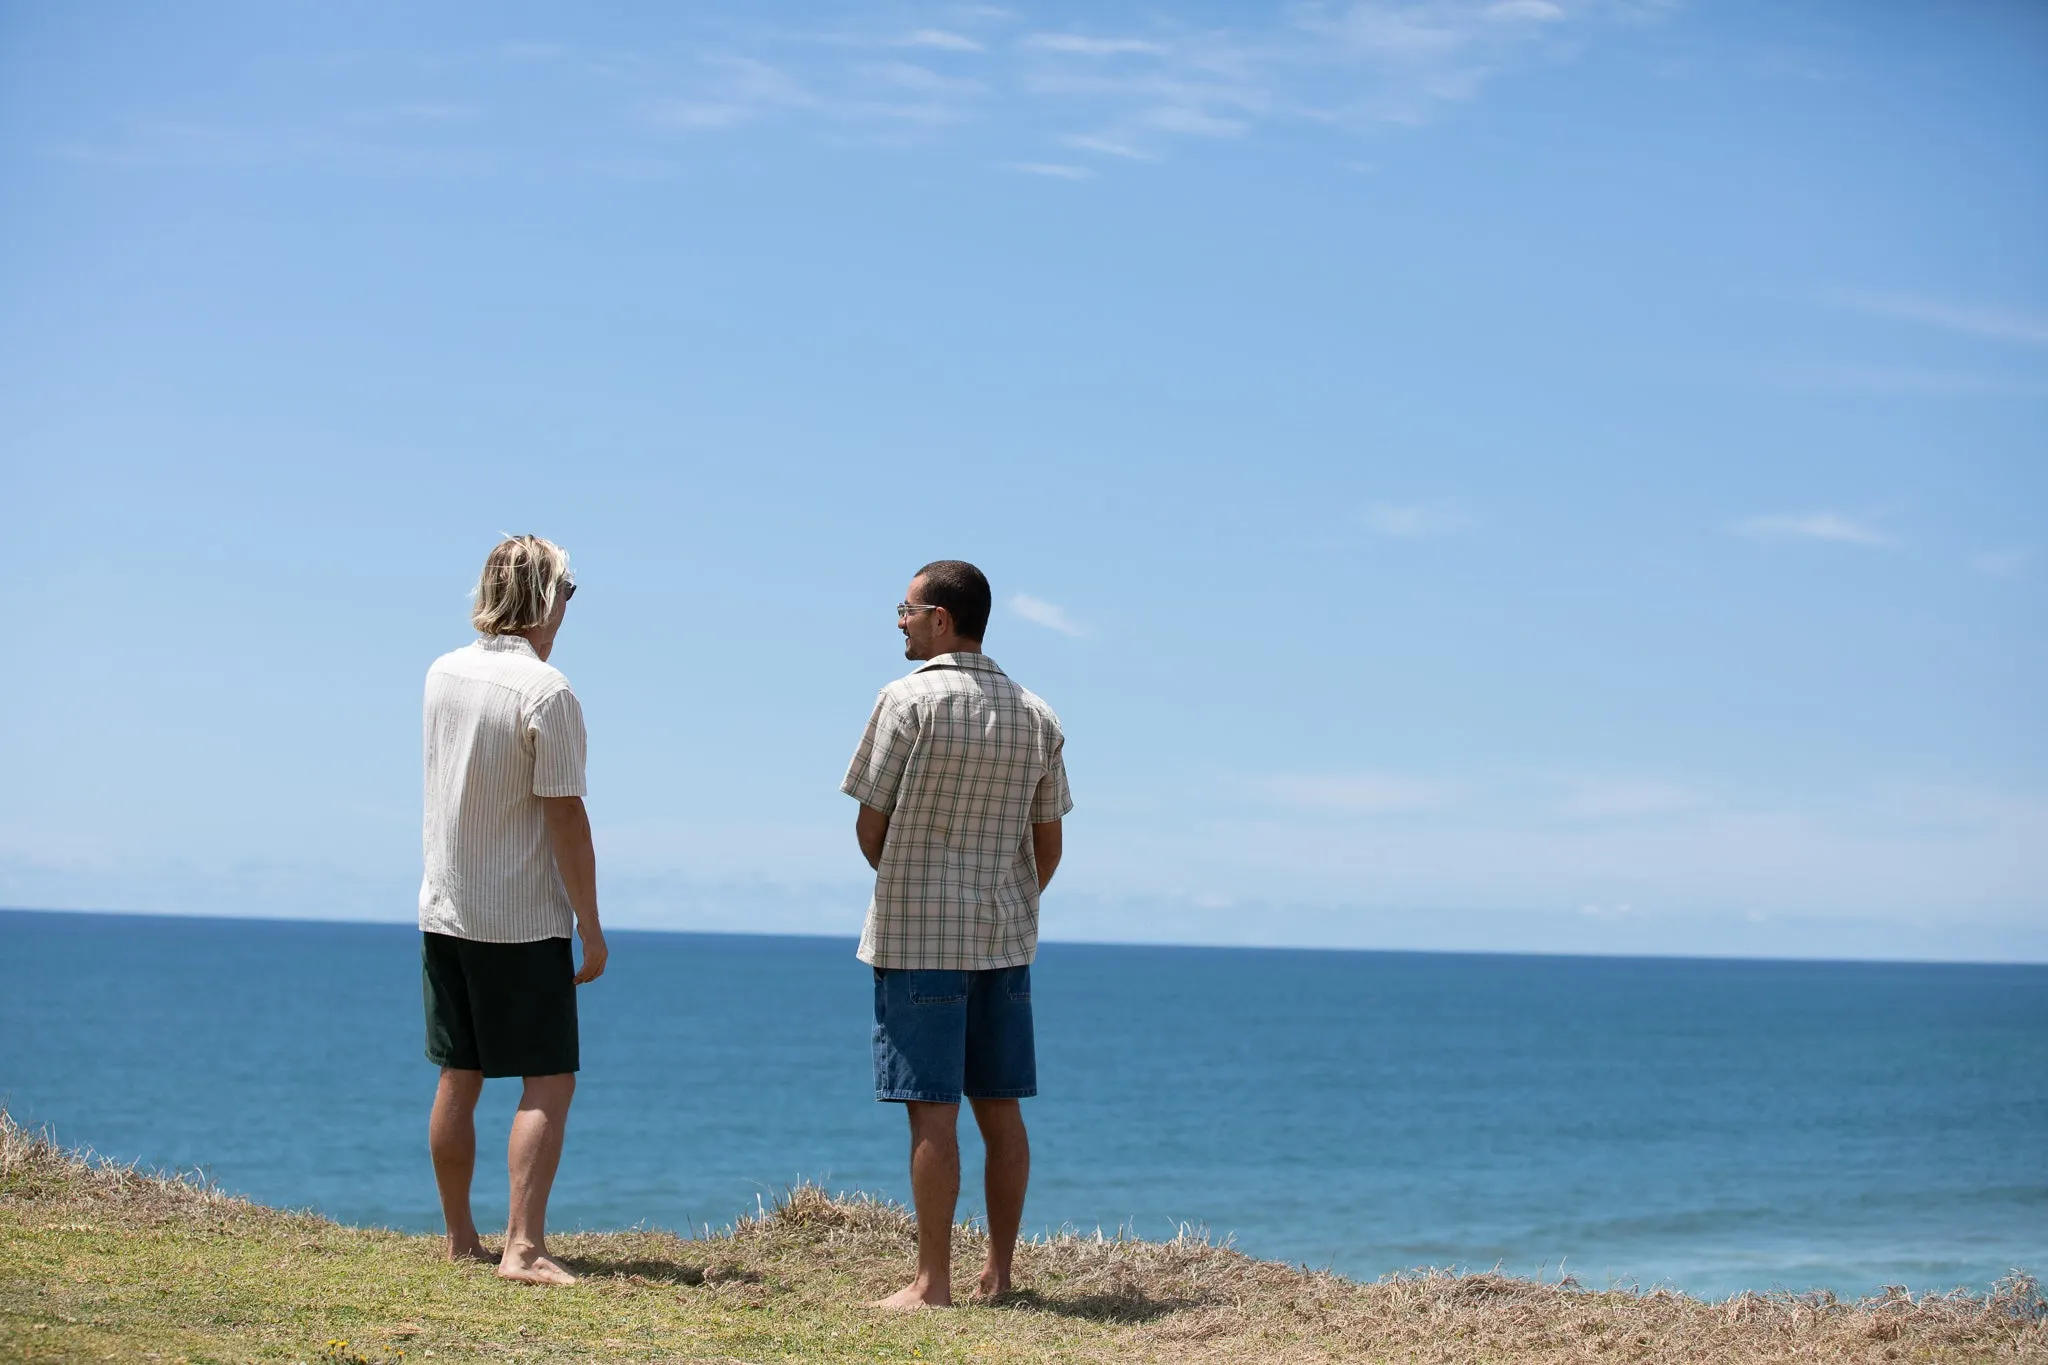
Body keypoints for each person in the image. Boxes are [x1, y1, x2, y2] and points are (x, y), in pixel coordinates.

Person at [841, 559, 1073, 1309]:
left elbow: (869, 825)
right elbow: (1049, 846)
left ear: (942, 618)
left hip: (918, 937)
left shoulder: (904, 702)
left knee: (931, 1109)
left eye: (906, 609)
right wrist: (1005, 899)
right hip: (1003, 939)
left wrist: (912, 880)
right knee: (1001, 1107)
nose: (899, 621)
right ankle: (1001, 1274)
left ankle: (931, 1282)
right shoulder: (1037, 713)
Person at [417, 534, 608, 1286]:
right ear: (544, 596)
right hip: (520, 916)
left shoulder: (441, 672)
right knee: (548, 1076)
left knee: (458, 1073)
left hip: (447, 906)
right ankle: (522, 1246)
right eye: (568, 589)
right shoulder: (546, 691)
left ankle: (462, 1236)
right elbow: (565, 815)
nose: (569, 605)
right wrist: (590, 927)